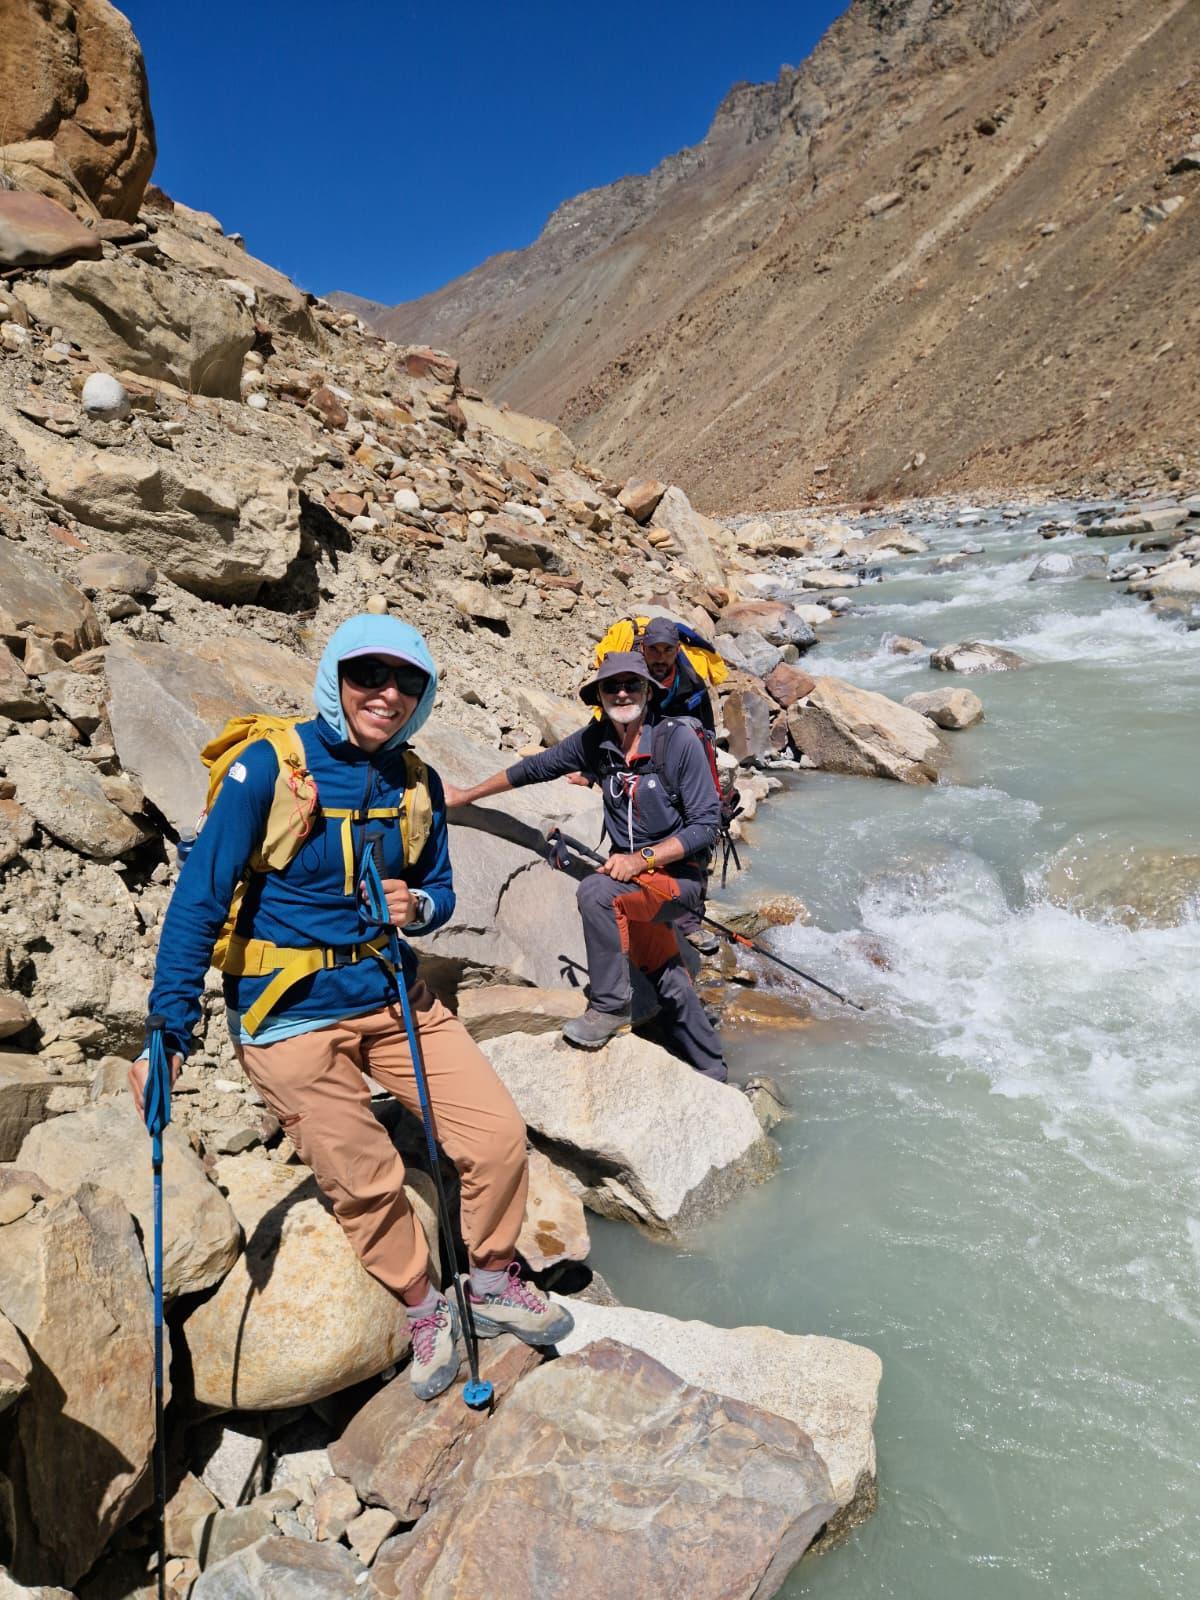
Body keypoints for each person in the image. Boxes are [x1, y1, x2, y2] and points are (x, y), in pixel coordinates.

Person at [130, 613, 573, 1402]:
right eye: (369, 675)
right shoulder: (269, 768)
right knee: (364, 1175)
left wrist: (419, 910)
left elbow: (440, 889)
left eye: (407, 682)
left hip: (390, 994)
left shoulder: (417, 782)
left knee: (498, 1137)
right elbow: (199, 900)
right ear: (337, 678)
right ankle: (422, 1302)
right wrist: (168, 1031)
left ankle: (493, 1276)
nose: (388, 694)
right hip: (288, 1011)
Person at [444, 652, 728, 1081]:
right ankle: (714, 1071)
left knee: (596, 893)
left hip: (677, 882)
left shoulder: (676, 742)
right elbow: (534, 769)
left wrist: (642, 859)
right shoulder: (596, 741)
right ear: (598, 696)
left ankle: (610, 1007)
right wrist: (466, 795)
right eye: (611, 687)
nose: (622, 693)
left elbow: (706, 825)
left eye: (632, 685)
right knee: (666, 973)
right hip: (634, 883)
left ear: (648, 692)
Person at [634, 614, 717, 733]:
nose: (661, 659)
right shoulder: (627, 683)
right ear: (643, 648)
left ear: (678, 649)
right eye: (653, 649)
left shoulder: (693, 685)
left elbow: (708, 733)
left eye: (668, 650)